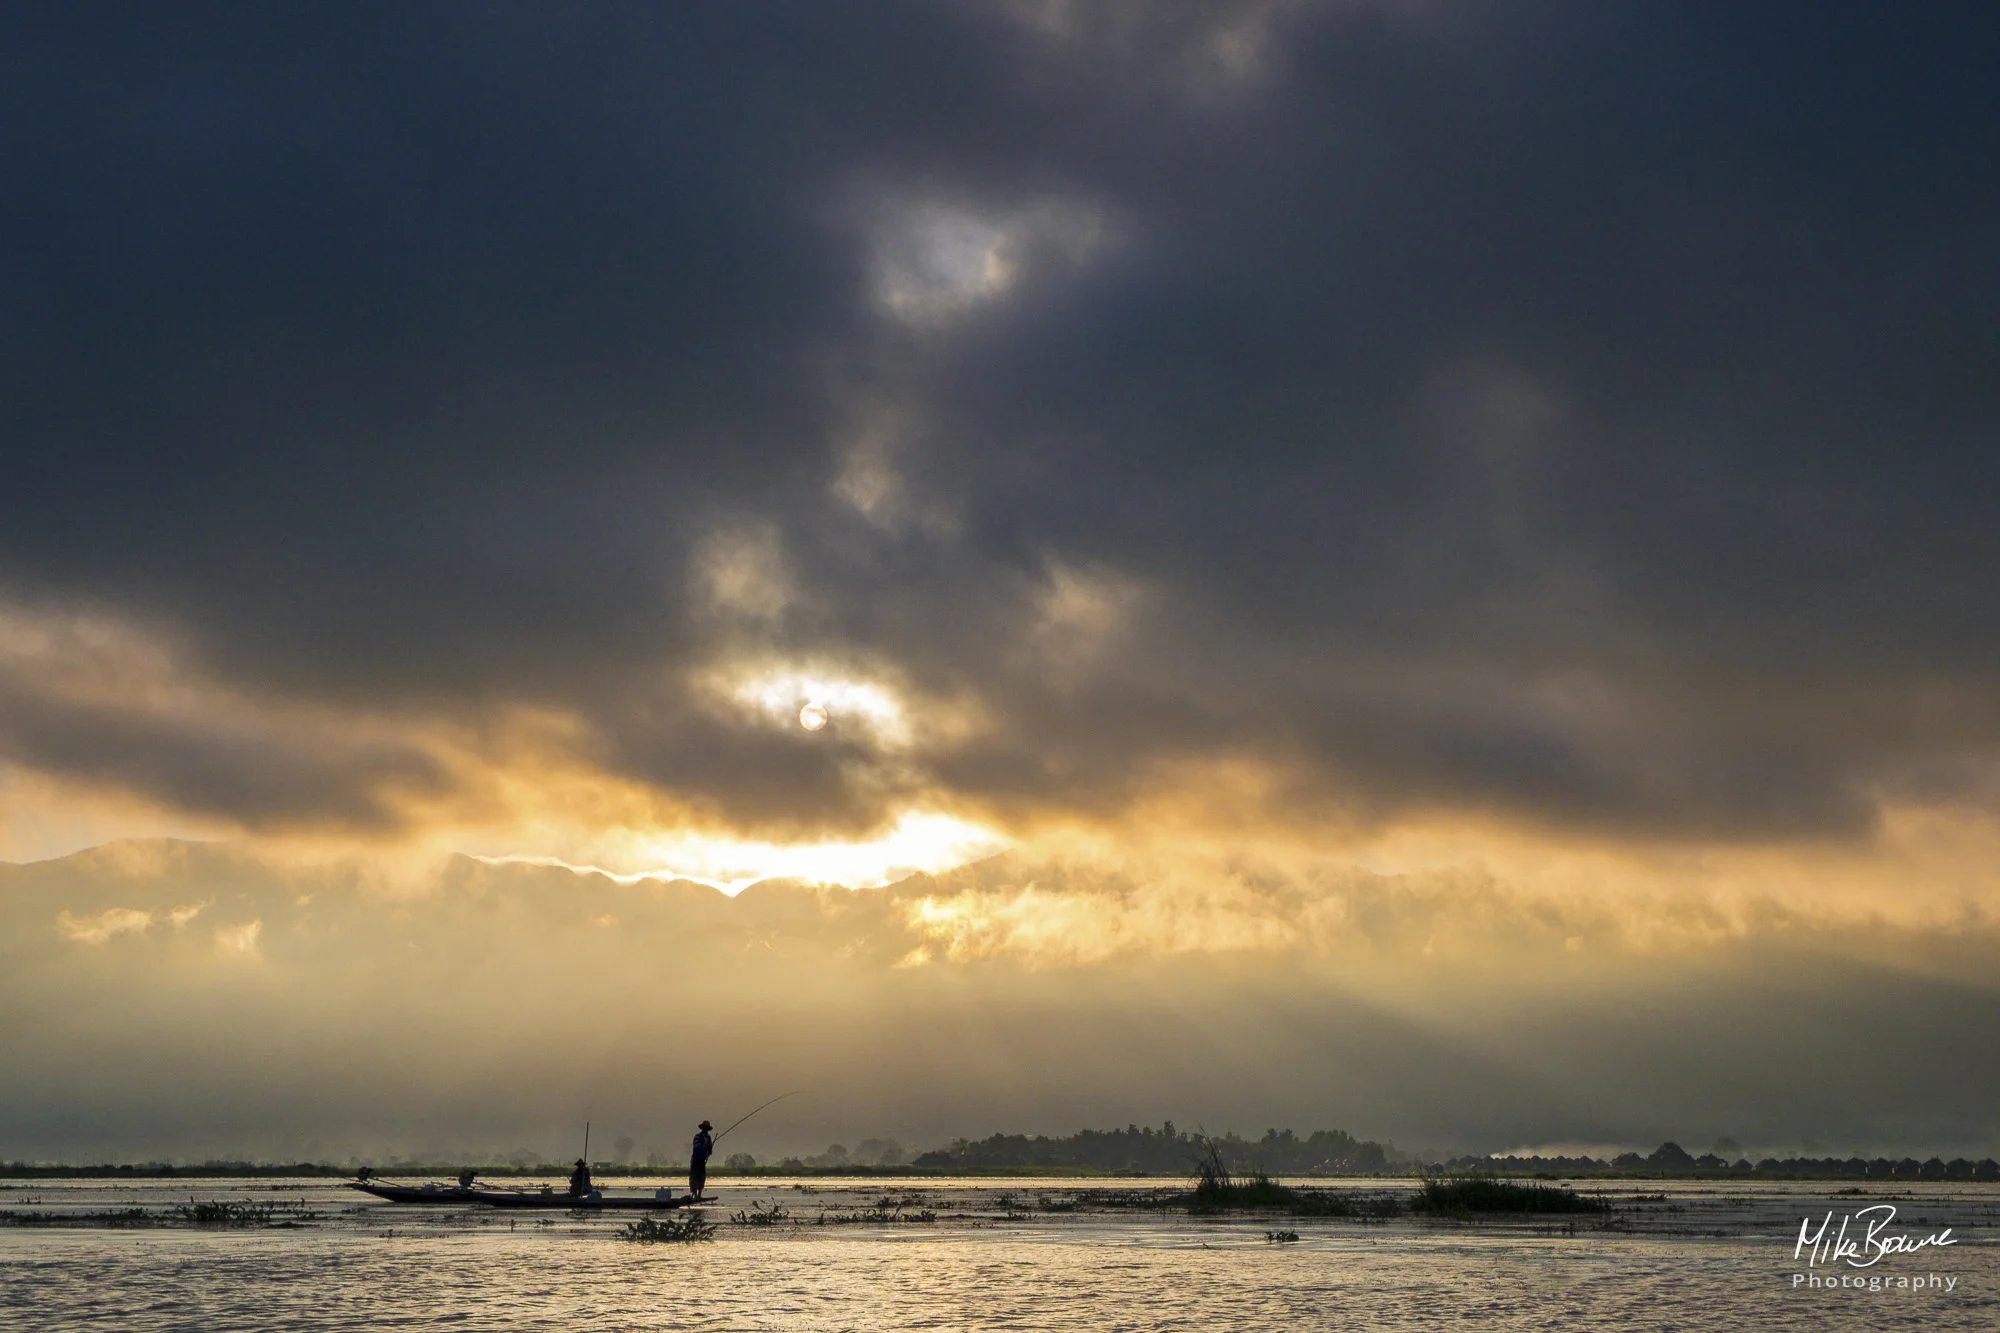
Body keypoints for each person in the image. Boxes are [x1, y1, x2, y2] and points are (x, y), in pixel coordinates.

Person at [689, 1121, 714, 1199]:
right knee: (694, 1178)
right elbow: (697, 1147)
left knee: (702, 1177)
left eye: (706, 1128)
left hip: (702, 1160)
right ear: (702, 1128)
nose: (705, 1129)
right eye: (704, 1128)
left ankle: (699, 1195)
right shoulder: (697, 1136)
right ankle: (695, 1194)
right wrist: (705, 1146)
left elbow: (709, 1151)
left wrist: (709, 1150)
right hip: (696, 1160)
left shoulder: (709, 1138)